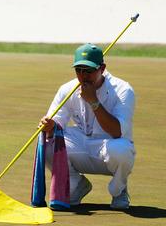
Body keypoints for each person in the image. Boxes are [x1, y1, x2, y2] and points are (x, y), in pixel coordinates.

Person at [39, 43, 137, 210]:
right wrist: (49, 125)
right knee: (48, 144)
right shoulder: (67, 89)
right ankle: (76, 185)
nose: (83, 76)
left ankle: (118, 189)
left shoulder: (123, 90)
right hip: (82, 142)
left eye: (89, 70)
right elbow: (56, 124)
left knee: (122, 150)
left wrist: (93, 101)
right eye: (79, 70)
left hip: (109, 146)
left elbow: (117, 131)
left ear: (102, 68)